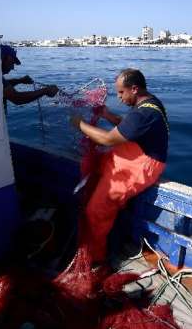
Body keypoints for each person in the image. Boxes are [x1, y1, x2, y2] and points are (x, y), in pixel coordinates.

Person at [70, 68, 168, 263]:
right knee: (99, 169)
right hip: (133, 154)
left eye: (121, 92)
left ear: (134, 89)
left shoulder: (144, 114)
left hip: (142, 166)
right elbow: (128, 126)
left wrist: (79, 124)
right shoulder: (149, 102)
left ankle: (94, 259)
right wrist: (106, 115)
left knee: (95, 212)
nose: (119, 97)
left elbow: (107, 139)